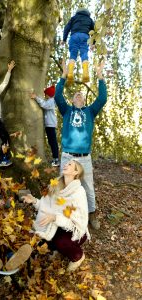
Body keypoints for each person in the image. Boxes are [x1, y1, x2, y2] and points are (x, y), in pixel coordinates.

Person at [54, 60, 107, 230]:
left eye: (81, 95)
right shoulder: (67, 110)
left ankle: (92, 214)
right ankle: (64, 214)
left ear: (84, 100)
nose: (79, 95)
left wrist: (99, 75)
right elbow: (57, 96)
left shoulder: (90, 111)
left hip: (84, 158)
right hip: (68, 156)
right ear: (71, 99)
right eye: (76, 95)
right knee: (64, 185)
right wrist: (63, 75)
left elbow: (102, 98)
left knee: (88, 187)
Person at [22, 160, 89, 272]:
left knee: (60, 242)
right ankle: (58, 248)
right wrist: (34, 201)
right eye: (66, 163)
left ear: (76, 172)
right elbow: (46, 207)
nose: (66, 165)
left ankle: (78, 256)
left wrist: (55, 218)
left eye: (70, 164)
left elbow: (77, 221)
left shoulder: (78, 192)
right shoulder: (55, 185)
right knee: (43, 243)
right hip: (56, 226)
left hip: (76, 231)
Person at [62, 8, 95, 84]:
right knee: (84, 54)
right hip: (85, 37)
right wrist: (93, 43)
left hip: (74, 36)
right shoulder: (89, 19)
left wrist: (64, 39)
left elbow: (66, 28)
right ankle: (85, 73)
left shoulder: (74, 18)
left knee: (73, 54)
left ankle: (70, 73)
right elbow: (94, 32)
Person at [30, 85, 60, 167]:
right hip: (49, 125)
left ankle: (56, 159)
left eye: (45, 94)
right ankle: (55, 158)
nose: (44, 95)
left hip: (50, 125)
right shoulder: (50, 100)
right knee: (51, 142)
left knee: (53, 142)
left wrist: (36, 97)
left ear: (48, 95)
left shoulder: (51, 101)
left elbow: (44, 105)